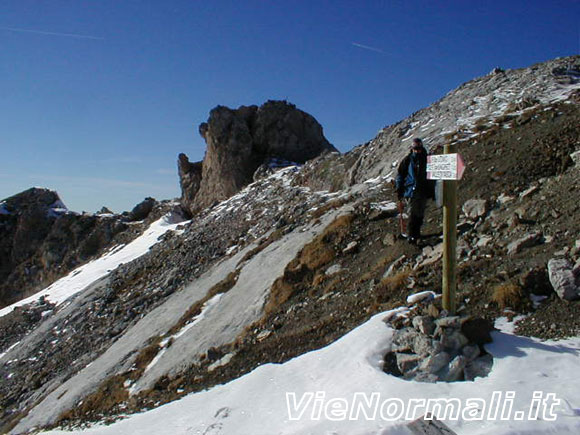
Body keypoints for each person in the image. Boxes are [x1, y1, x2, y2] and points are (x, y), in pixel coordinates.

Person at [395, 138, 435, 244]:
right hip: (411, 191)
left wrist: (432, 190)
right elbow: (400, 174)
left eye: (419, 148)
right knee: (413, 212)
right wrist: (399, 188)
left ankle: (416, 233)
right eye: (415, 148)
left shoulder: (427, 159)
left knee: (420, 213)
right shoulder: (407, 160)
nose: (417, 150)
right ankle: (412, 235)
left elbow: (432, 176)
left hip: (423, 190)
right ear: (412, 149)